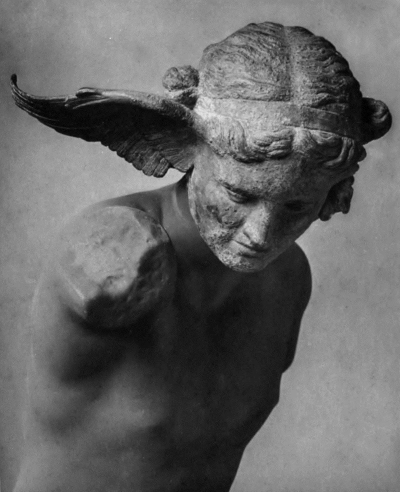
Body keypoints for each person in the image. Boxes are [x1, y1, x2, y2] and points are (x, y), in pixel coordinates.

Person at [11, 21, 391, 492]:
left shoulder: (290, 274)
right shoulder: (113, 250)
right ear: (186, 144)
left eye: (296, 206)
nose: (261, 234)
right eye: (239, 194)